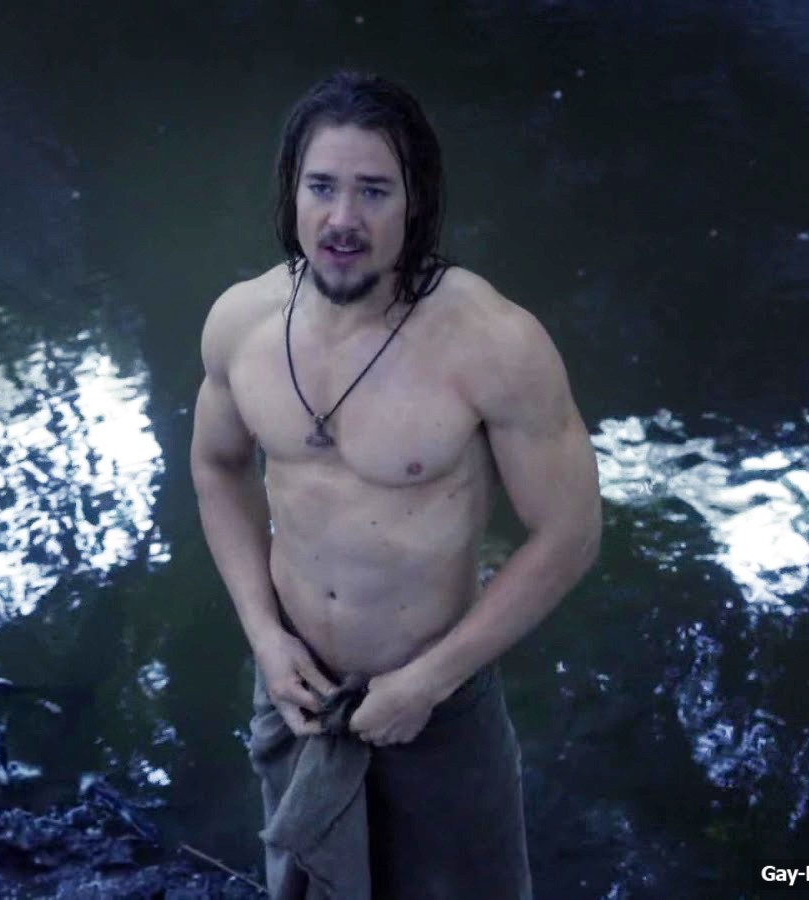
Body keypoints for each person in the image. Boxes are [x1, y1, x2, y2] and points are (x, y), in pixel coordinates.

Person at [189, 71, 602, 899]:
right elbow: (217, 466)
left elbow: (570, 533)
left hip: (436, 700)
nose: (342, 219)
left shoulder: (494, 342)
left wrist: (430, 681)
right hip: (297, 689)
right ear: (292, 191)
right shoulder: (241, 323)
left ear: (417, 201)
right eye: (322, 187)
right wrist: (265, 636)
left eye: (373, 191)